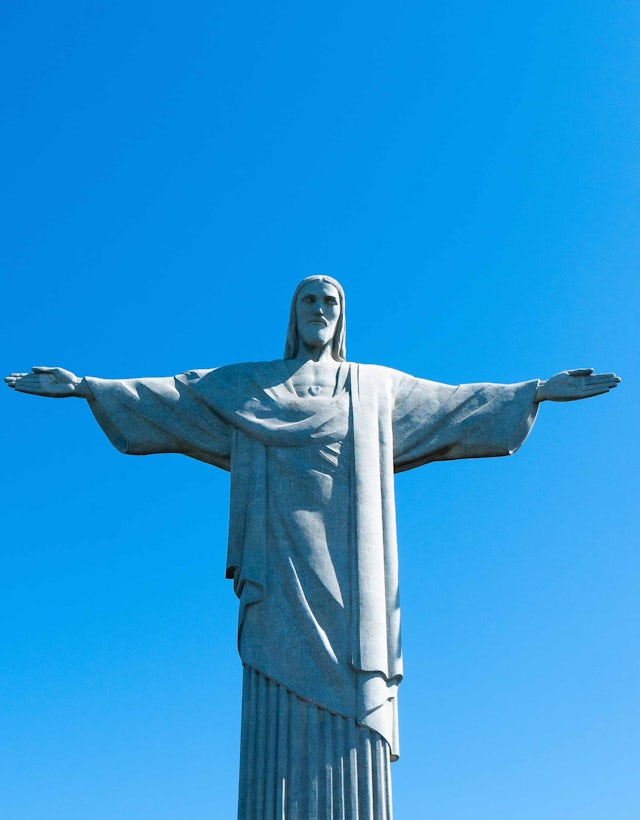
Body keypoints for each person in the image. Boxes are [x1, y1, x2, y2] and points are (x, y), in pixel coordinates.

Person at [5, 276, 620, 820]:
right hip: (276, 568)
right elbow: (174, 396)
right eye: (308, 300)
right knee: (273, 678)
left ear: (342, 316)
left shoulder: (375, 389)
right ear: (292, 314)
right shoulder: (247, 387)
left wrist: (535, 391)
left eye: (330, 301)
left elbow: (455, 403)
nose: (319, 309)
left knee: (357, 690)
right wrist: (87, 387)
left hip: (355, 580)